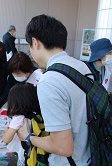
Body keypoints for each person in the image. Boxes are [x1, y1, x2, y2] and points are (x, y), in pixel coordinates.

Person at [17, 14, 91, 165]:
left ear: (35, 43)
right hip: (90, 156)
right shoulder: (81, 67)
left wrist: (28, 137)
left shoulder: (49, 82)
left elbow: (63, 147)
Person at [0, 51, 43, 116]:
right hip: (19, 110)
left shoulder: (38, 76)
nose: (15, 75)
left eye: (18, 73)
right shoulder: (13, 76)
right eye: (13, 73)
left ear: (27, 70)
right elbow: (7, 91)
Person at [3, 83, 40, 166]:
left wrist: (6, 130)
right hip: (35, 152)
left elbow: (6, 139)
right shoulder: (36, 115)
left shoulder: (18, 118)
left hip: (22, 152)